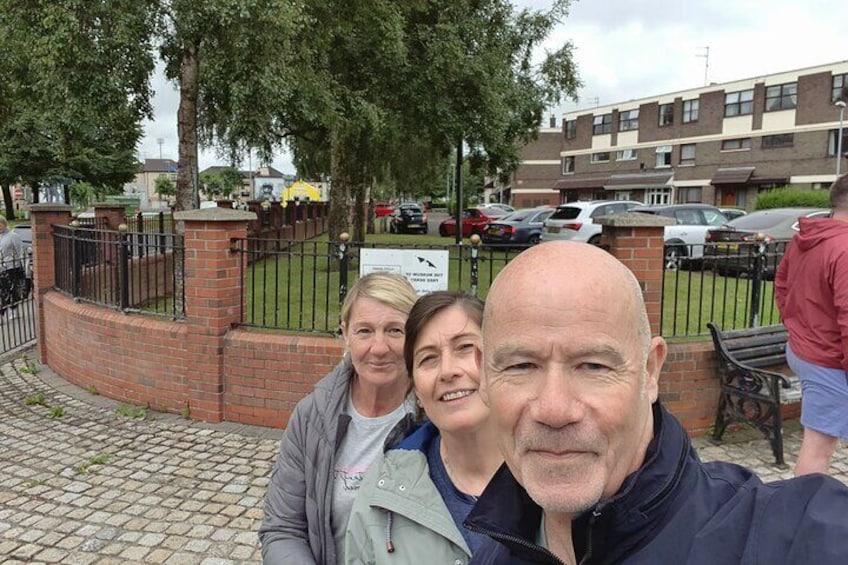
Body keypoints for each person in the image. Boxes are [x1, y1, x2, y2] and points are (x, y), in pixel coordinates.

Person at [465, 240, 848, 564]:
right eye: (521, 365)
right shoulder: (491, 551)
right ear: (483, 375)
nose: (554, 410)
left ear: (650, 371)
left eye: (593, 366)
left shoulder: (776, 536)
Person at [259, 272, 420, 564]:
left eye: (395, 330)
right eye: (364, 331)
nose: (379, 347)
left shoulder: (434, 419)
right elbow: (283, 528)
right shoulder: (312, 418)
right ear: (346, 333)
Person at [345, 291, 502, 564]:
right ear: (416, 389)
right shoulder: (380, 494)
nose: (448, 371)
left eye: (464, 347)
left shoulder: (552, 476)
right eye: (428, 358)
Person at [775, 175, 848, 477]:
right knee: (817, 452)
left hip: (804, 350)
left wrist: (796, 324)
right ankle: (799, 518)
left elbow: (781, 284)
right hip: (826, 360)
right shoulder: (844, 248)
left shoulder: (806, 238)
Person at [0, 215, 25, 324]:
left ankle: (14, 310)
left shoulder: (13, 236)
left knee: (12, 290)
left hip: (12, 267)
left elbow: (20, 251)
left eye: (0, 224)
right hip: (1, 268)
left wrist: (22, 264)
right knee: (2, 292)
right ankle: (3, 312)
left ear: (4, 224)